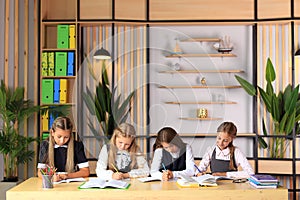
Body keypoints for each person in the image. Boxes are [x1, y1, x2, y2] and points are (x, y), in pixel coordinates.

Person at [37, 116, 90, 182]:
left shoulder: (77, 146)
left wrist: (67, 176)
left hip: (71, 185)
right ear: (52, 132)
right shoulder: (45, 146)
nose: (62, 141)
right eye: (59, 137)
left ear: (70, 135)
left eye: (66, 137)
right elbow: (40, 172)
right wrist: (51, 178)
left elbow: (85, 171)